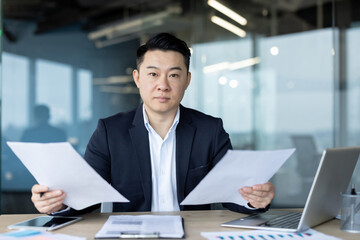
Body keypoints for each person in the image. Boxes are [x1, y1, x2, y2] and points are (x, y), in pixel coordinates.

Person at [31, 33, 274, 215]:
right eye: (153, 74)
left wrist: (255, 199)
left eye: (174, 75)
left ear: (187, 80)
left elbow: (232, 194)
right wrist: (57, 203)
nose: (163, 85)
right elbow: (86, 196)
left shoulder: (210, 130)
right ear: (137, 78)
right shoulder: (109, 131)